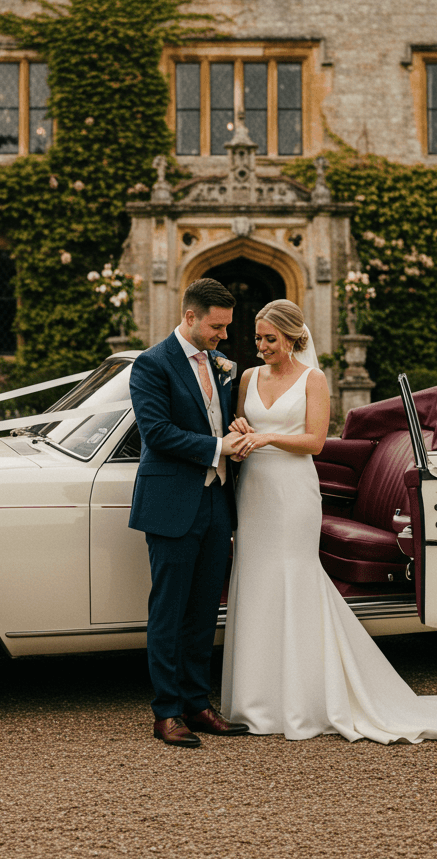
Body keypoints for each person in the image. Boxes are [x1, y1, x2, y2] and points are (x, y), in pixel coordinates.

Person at [220, 298, 437, 743]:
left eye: (270, 339)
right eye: (259, 338)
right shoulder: (248, 377)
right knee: (256, 579)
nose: (261, 347)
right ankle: (256, 700)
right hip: (255, 492)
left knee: (293, 577)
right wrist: (242, 430)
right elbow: (240, 422)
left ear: (293, 338)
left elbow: (315, 442)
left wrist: (264, 437)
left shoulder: (313, 380)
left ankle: (303, 699)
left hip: (292, 493)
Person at [129, 278, 251, 747]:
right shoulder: (152, 364)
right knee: (169, 610)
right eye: (217, 327)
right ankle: (166, 712)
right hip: (171, 503)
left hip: (216, 500)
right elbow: (156, 432)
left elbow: (215, 419)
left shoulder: (219, 365)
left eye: (227, 326)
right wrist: (220, 447)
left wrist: (235, 429)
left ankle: (198, 704)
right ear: (190, 317)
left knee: (203, 610)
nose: (224, 335)